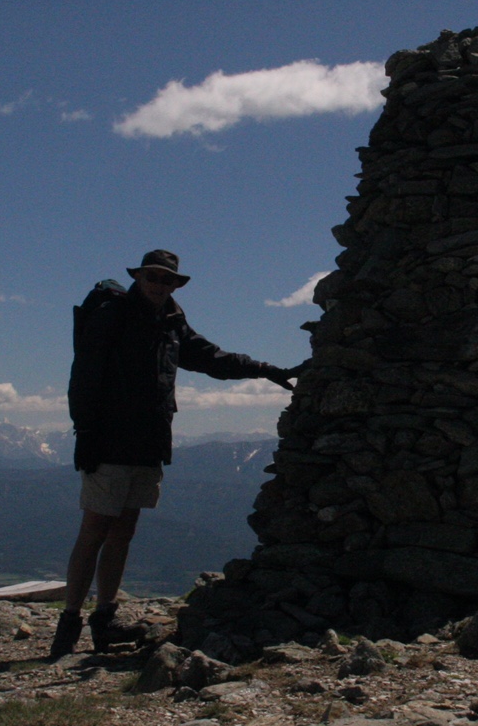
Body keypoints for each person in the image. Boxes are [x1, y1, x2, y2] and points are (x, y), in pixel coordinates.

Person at [50, 249, 296, 660]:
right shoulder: (113, 315)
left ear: (176, 284)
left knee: (123, 532)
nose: (159, 285)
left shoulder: (172, 322)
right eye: (153, 277)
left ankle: (104, 618)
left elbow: (210, 358)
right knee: (94, 529)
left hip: (148, 442)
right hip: (109, 439)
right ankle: (69, 622)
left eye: (167, 280)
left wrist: (265, 369)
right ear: (139, 277)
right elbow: (85, 374)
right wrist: (86, 432)